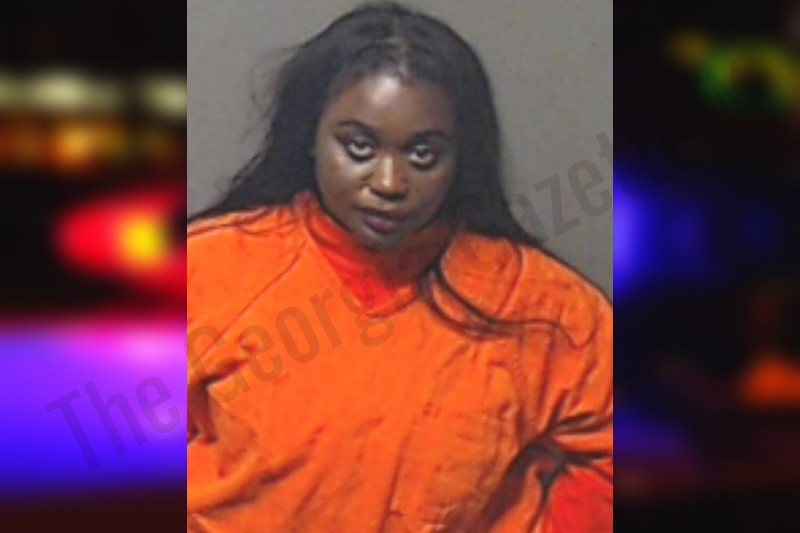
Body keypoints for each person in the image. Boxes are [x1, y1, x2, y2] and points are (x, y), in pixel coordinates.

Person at [187, 2, 612, 531]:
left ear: (461, 157)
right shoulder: (208, 268)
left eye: (423, 155)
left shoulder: (545, 305)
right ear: (310, 138)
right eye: (358, 147)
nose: (389, 183)